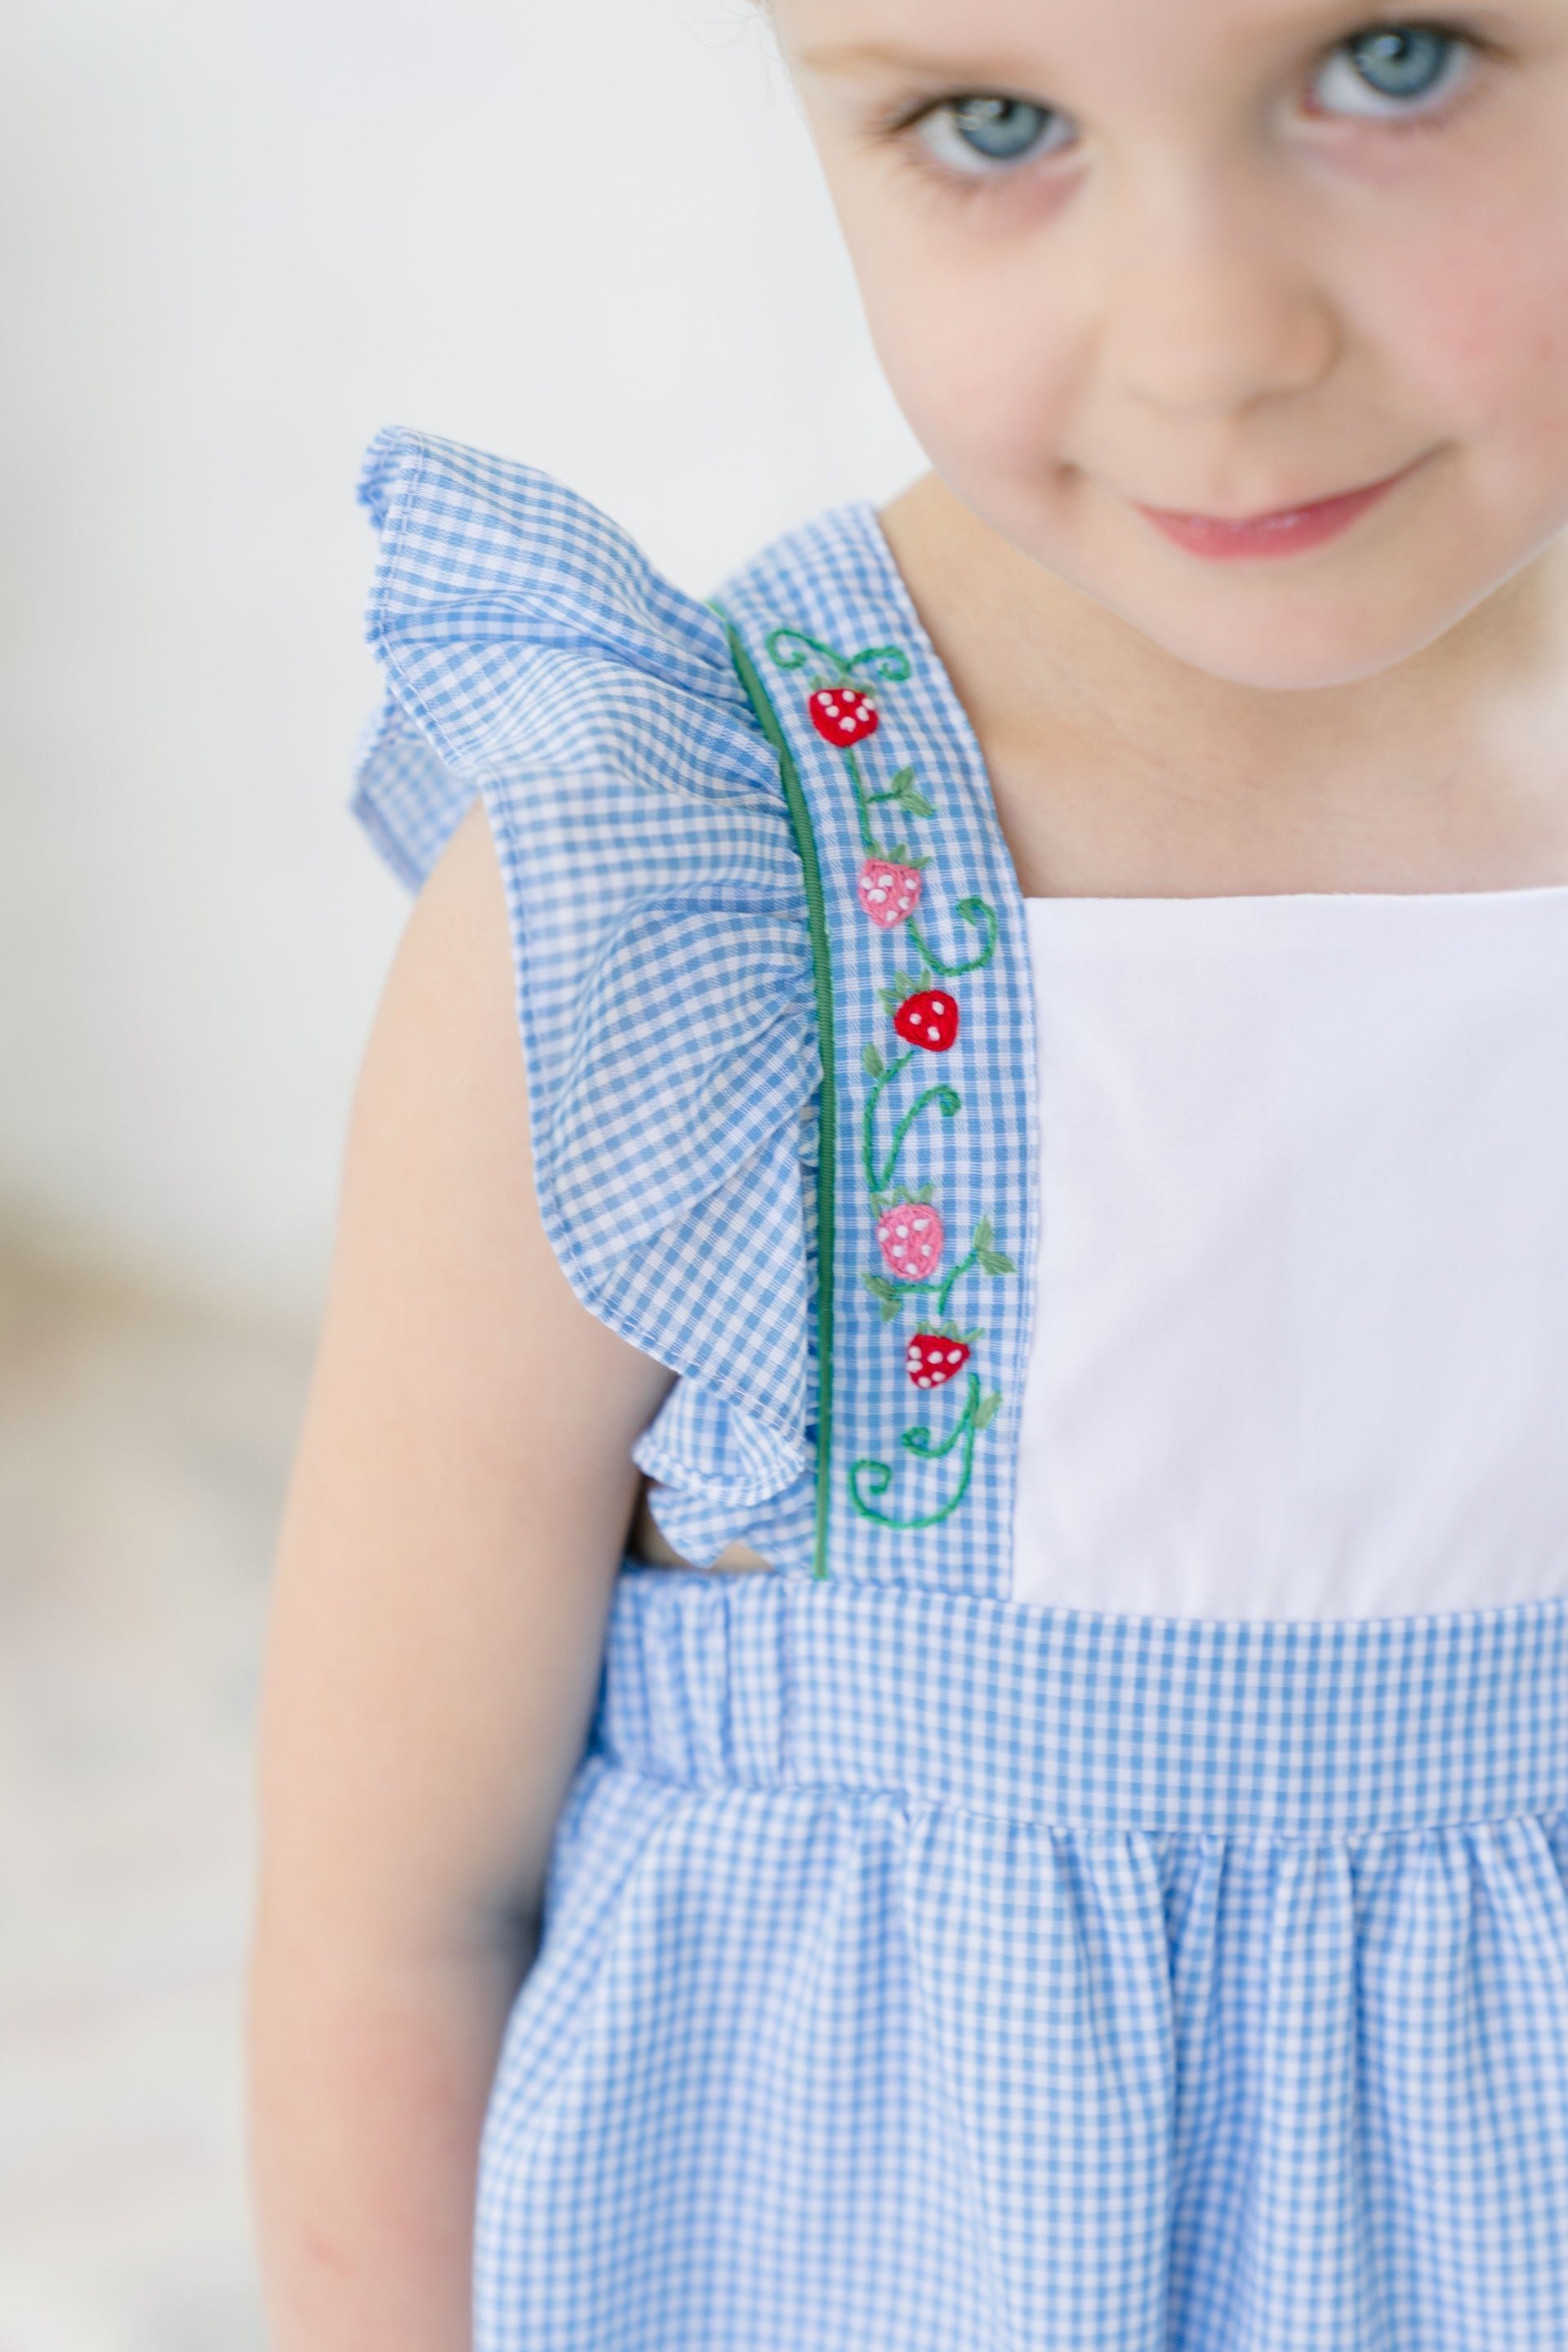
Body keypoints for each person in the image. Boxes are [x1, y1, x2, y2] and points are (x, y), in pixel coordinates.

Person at [247, 0, 1568, 2344]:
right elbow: (388, 1926)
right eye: (993, 120)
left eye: (1394, 62)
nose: (1210, 346)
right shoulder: (689, 884)